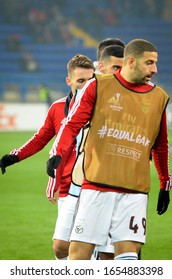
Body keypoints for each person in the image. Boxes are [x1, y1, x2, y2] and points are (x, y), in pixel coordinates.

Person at [46, 39, 171, 260]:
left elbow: (160, 145)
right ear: (131, 61)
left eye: (155, 63)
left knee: (126, 258)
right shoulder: (98, 86)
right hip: (96, 187)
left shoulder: (158, 97)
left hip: (135, 191)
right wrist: (58, 152)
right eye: (149, 63)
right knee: (78, 256)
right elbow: (72, 123)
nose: (155, 69)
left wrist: (164, 183)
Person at [0, 54, 95, 259]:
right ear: (68, 81)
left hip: (96, 184)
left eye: (90, 80)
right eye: (81, 81)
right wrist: (13, 157)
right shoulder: (57, 108)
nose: (86, 86)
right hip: (68, 186)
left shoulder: (103, 109)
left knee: (91, 248)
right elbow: (40, 138)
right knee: (60, 247)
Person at [52, 43, 125, 261]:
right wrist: (55, 163)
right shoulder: (78, 100)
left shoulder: (124, 98)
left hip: (115, 183)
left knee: (109, 253)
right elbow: (69, 127)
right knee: (64, 247)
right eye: (114, 67)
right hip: (81, 184)